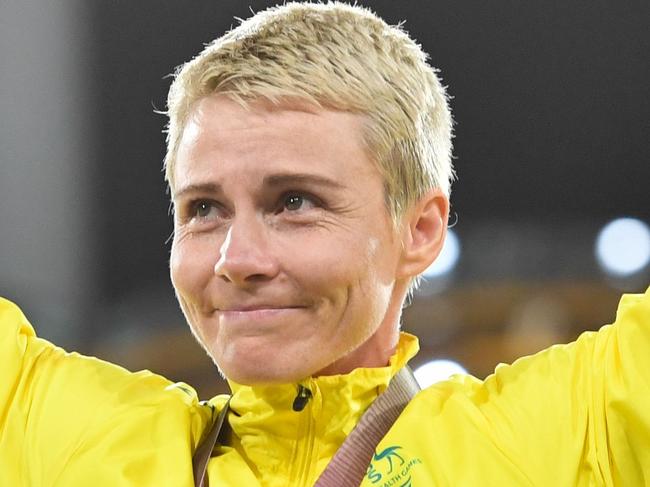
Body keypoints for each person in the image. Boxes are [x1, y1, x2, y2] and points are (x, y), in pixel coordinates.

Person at [1, 2, 649, 486]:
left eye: (294, 202)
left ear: (419, 231)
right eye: (204, 208)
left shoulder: (558, 437)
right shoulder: (82, 446)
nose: (237, 259)